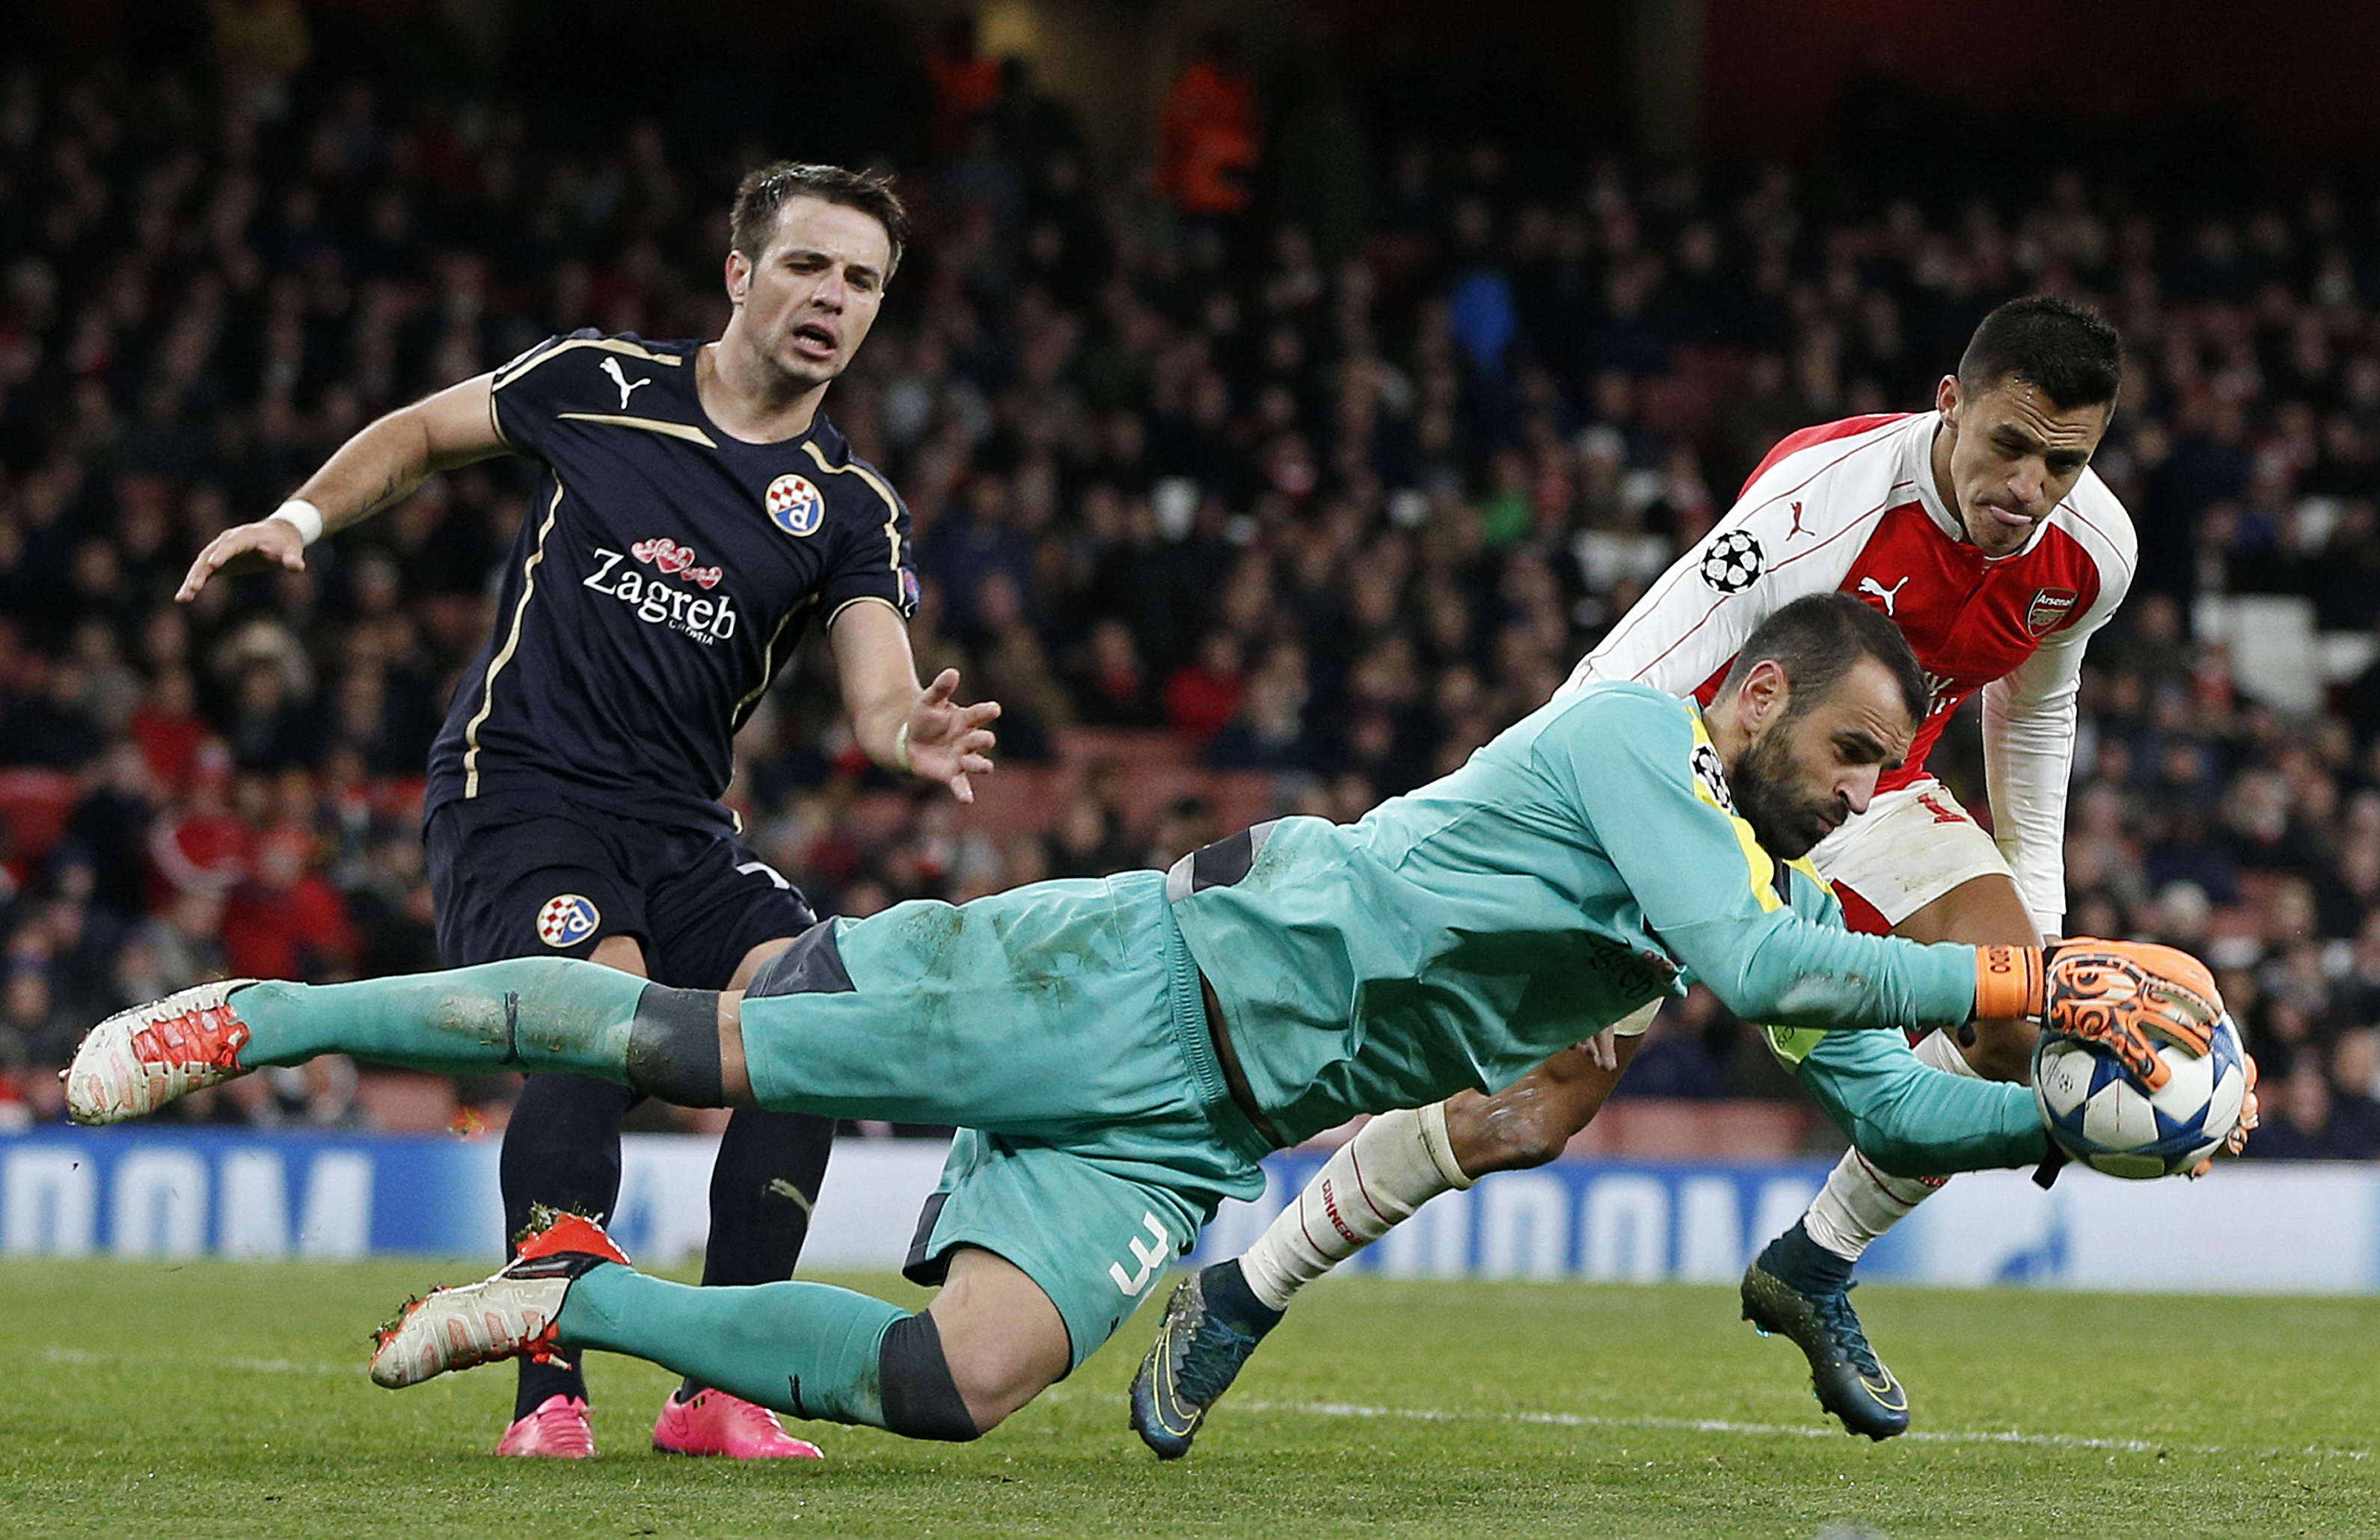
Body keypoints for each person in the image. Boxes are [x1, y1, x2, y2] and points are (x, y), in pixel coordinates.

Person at [67, 595, 2223, 1452]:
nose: (1861, 801)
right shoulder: (1628, 750)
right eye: (1847, 755)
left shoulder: (1745, 874)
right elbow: (1776, 984)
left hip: (1194, 1123)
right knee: (669, 1044)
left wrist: (2071, 1102)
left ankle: (577, 1298)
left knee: (956, 1381)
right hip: (1121, 972)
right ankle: (256, 1014)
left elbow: (1871, 1068)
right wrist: (2031, 966)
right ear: (1754, 697)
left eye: (1877, 778)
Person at [1150, 295, 2146, 1450]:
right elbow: (1627, 679)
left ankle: (1811, 1265)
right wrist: (1575, 857)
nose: (2027, 486)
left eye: (2062, 462)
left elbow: (2037, 708)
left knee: (2014, 1011)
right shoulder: (1816, 504)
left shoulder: (2093, 554)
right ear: (1948, 406)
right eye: (2007, 446)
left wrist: (2043, 920)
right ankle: (1239, 1291)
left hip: (1862, 791)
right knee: (1528, 1117)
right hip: (1700, 785)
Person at [173, 162, 999, 1461]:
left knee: (815, 1016)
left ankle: (721, 1387)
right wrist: (300, 518)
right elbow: (423, 434)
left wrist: (910, 733)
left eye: (861, 280)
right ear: (739, 274)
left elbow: (875, 687)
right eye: (806, 265)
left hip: (677, 827)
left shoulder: (848, 507)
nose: (830, 297)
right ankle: (544, 1389)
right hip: (520, 789)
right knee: (602, 1020)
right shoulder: (602, 384)